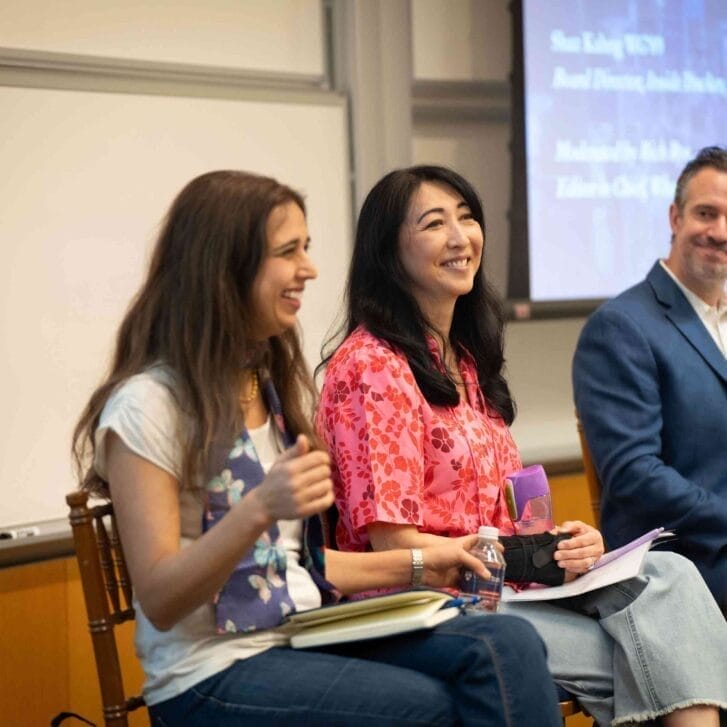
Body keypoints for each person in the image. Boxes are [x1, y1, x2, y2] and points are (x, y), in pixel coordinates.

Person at [71, 170, 563, 726]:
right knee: (432, 706)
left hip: (299, 628)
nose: (309, 269)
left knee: (505, 642)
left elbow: (297, 567)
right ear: (224, 267)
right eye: (288, 252)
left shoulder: (263, 387)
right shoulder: (148, 406)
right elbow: (159, 598)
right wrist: (257, 509)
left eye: (305, 249)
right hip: (209, 671)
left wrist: (433, 561)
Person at [316, 164, 727, 727]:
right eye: (435, 224)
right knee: (662, 647)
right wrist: (519, 558)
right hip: (426, 607)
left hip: (503, 588)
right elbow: (395, 549)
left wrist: (562, 543)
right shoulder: (372, 367)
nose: (461, 237)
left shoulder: (464, 361)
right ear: (389, 252)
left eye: (467, 217)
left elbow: (507, 523)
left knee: (672, 576)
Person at [573, 146, 727, 611]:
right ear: (675, 217)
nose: (720, 232)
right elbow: (634, 475)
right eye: (706, 213)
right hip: (683, 569)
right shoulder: (621, 328)